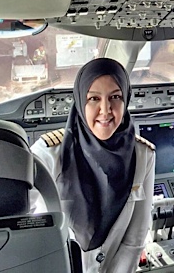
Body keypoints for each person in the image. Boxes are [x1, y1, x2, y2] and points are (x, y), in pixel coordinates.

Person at [31, 58, 155, 273]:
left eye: (115, 97)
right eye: (94, 98)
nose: (105, 110)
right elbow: (31, 232)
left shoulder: (143, 155)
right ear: (80, 102)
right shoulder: (48, 154)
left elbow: (135, 238)